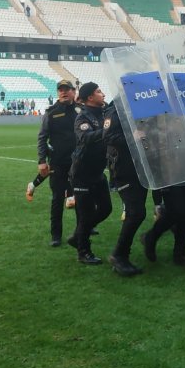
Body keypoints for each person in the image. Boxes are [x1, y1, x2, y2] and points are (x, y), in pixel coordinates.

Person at [67, 82, 112, 264]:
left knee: (106, 209)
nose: (102, 94)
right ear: (90, 98)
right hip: (82, 173)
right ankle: (83, 252)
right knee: (85, 215)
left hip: (98, 171)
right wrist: (107, 131)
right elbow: (85, 138)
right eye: (98, 91)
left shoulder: (104, 112)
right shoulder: (82, 117)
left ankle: (77, 236)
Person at [102, 101, 148, 275]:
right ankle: (118, 255)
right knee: (136, 212)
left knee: (136, 212)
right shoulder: (116, 108)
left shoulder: (138, 106)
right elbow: (107, 136)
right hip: (124, 168)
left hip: (140, 167)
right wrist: (132, 137)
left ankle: (122, 255)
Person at [33, 80, 78, 247]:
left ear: (74, 92)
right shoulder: (51, 113)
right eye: (60, 90)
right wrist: (42, 161)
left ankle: (82, 229)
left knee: (80, 196)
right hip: (58, 162)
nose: (63, 92)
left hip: (78, 162)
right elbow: (42, 137)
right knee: (57, 198)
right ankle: (56, 234)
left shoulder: (81, 110)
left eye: (67, 89)